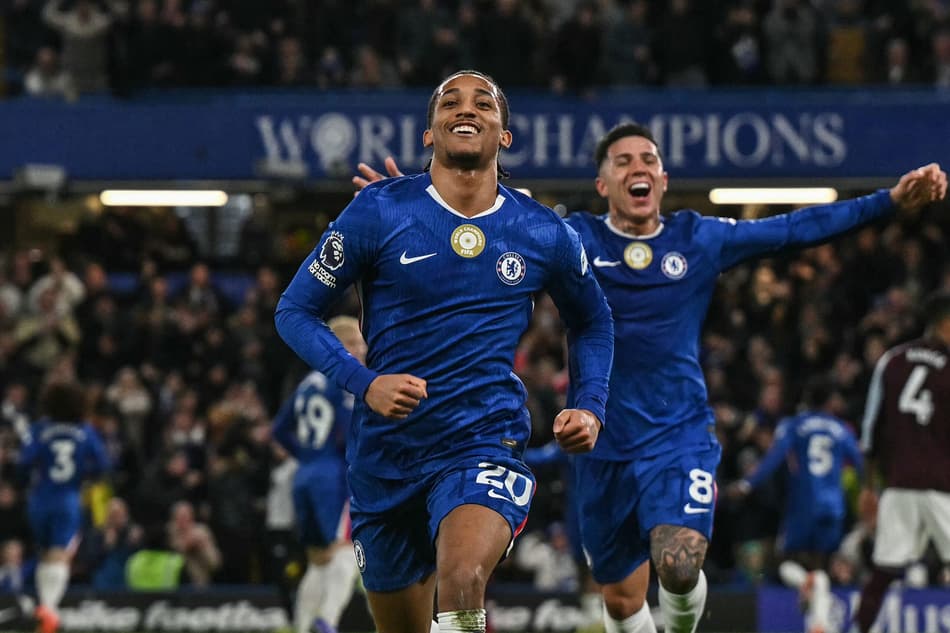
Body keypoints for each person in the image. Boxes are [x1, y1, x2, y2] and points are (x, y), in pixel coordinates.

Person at [353, 123, 947, 633]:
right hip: (599, 442)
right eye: (623, 162)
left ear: (662, 181)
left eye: (650, 160)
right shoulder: (573, 238)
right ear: (603, 185)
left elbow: (796, 229)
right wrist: (411, 206)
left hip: (678, 433)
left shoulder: (699, 239)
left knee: (679, 565)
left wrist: (888, 201)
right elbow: (486, 210)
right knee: (620, 599)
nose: (639, 168)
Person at [275, 70, 614, 633]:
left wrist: (591, 404)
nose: (468, 108)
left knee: (461, 581)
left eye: (485, 103)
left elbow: (594, 319)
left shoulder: (541, 230)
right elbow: (293, 310)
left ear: (504, 134)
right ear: (429, 132)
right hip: (385, 459)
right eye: (450, 101)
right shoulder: (379, 211)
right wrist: (364, 381)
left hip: (481, 440)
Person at [728, 378, 863, 633]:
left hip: (804, 504)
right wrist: (868, 493)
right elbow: (859, 462)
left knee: (783, 562)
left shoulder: (794, 425)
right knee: (822, 566)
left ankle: (805, 583)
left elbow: (774, 458)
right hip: (834, 507)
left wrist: (747, 484)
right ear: (829, 402)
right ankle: (819, 624)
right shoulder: (840, 428)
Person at [853, 291, 950, 633]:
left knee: (885, 570)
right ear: (944, 323)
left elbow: (870, 430)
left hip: (899, 482)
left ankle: (859, 629)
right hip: (942, 484)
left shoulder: (891, 360)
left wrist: (868, 486)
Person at [271, 315, 366, 633]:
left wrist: (307, 456)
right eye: (353, 342)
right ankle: (327, 620)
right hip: (332, 477)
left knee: (318, 559)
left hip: (305, 476)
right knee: (346, 548)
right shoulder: (344, 379)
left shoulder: (308, 382)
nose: (361, 348)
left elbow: (279, 430)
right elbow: (352, 432)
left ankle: (301, 626)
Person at [18, 380, 111, 633]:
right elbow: (103, 464)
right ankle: (49, 612)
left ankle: (41, 611)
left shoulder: (38, 429)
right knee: (60, 555)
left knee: (43, 553)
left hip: (39, 498)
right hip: (67, 498)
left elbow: (24, 462)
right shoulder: (86, 431)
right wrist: (84, 473)